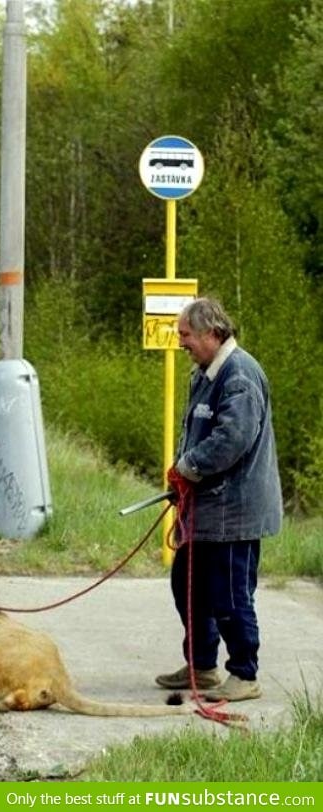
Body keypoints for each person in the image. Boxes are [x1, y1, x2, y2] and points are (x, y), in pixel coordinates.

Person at [156, 297, 282, 702]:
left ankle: (244, 674)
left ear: (212, 332)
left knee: (228, 594)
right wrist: (182, 474)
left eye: (186, 335)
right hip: (205, 508)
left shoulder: (240, 375)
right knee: (186, 585)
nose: (182, 343)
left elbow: (231, 440)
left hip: (234, 512)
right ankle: (203, 666)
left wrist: (187, 467)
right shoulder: (205, 372)